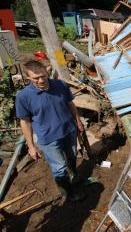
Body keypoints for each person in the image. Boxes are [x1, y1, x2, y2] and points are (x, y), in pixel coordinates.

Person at [16, 60, 85, 202]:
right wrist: (31, 146)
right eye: (36, 78)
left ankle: (73, 176)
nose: (41, 80)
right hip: (49, 138)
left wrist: (78, 121)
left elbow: (70, 103)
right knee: (59, 167)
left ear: (47, 72)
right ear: (28, 78)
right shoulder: (23, 96)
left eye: (43, 76)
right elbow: (25, 121)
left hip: (68, 129)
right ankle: (68, 194)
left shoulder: (60, 85)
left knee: (72, 155)